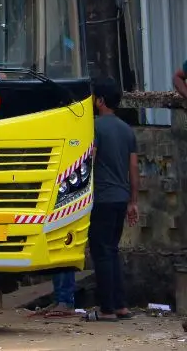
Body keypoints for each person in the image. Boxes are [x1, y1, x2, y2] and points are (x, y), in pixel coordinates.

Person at [86, 76, 139, 322]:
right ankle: (121, 306)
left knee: (101, 252)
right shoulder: (127, 130)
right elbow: (133, 170)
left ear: (100, 101)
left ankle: (107, 309)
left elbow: (91, 161)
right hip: (120, 198)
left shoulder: (94, 127)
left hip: (102, 198)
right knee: (113, 250)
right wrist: (133, 201)